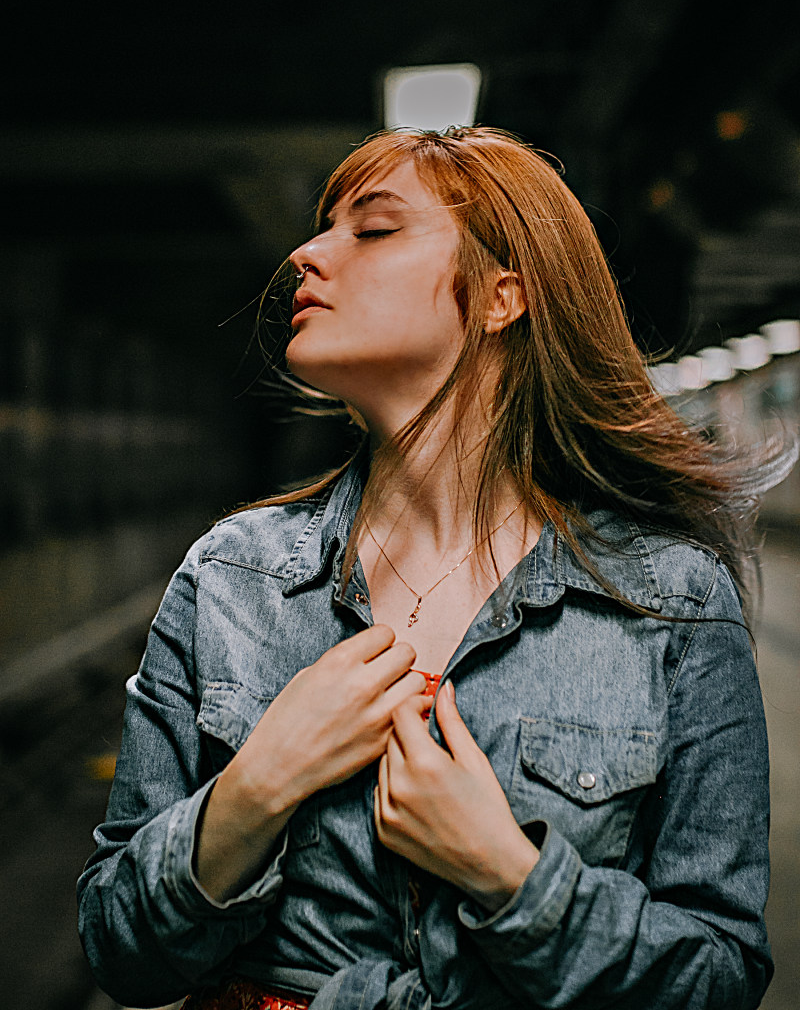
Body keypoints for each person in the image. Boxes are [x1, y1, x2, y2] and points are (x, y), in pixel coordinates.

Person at [78, 127, 775, 1010]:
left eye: (372, 230)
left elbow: (720, 976)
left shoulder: (671, 602)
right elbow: (119, 947)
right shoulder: (231, 581)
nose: (305, 253)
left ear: (500, 297)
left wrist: (511, 876)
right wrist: (257, 786)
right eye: (325, 227)